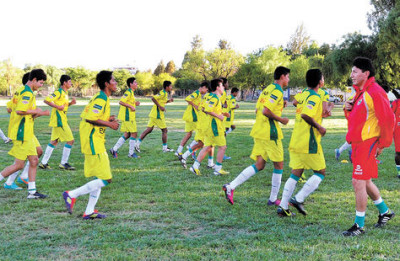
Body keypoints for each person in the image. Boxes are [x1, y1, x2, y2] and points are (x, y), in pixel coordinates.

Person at [342, 57, 395, 236]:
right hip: (358, 144)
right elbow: (356, 120)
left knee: (358, 181)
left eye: (355, 71)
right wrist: (347, 110)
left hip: (368, 144)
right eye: (351, 71)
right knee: (364, 180)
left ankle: (359, 225)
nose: (351, 75)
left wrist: (383, 144)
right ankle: (385, 212)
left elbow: (388, 120)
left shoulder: (375, 91)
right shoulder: (360, 92)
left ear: (366, 73)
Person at [223, 66, 290, 205]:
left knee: (260, 164)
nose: (288, 79)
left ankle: (231, 186)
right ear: (282, 76)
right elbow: (266, 111)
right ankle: (273, 199)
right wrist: (281, 119)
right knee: (279, 165)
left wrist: (280, 105)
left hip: (259, 130)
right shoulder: (277, 91)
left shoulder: (267, 89)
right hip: (270, 133)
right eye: (288, 76)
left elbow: (257, 110)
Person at [63, 70, 119, 219]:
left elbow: (93, 116)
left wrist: (108, 118)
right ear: (106, 84)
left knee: (99, 177)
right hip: (93, 141)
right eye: (113, 80)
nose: (116, 83)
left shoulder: (102, 98)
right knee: (106, 179)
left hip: (96, 140)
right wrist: (109, 124)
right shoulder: (101, 98)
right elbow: (89, 118)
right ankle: (71, 195)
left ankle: (89, 211)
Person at [277, 69, 328, 217]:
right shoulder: (315, 96)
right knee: (321, 172)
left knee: (295, 173)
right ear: (319, 82)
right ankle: (298, 199)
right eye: (323, 77)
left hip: (296, 139)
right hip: (308, 141)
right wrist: (320, 127)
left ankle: (283, 207)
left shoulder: (304, 94)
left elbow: (295, 102)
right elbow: (306, 114)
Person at [0, 69, 50, 198]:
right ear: (33, 80)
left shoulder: (20, 91)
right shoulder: (27, 93)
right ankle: (23, 186)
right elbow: (20, 111)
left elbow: (10, 108)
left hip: (25, 131)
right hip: (22, 133)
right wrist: (40, 112)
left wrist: (33, 113)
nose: (40, 86)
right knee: (19, 165)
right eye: (40, 83)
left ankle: (32, 192)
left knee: (34, 159)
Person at [189, 78, 230, 176]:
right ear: (217, 87)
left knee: (207, 146)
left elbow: (203, 108)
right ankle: (218, 169)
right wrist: (219, 116)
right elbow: (207, 109)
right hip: (214, 127)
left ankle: (195, 167)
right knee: (222, 147)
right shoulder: (215, 98)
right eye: (222, 85)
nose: (223, 87)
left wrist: (222, 113)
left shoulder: (208, 96)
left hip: (208, 125)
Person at [39, 75, 76, 170]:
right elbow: (46, 100)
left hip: (60, 120)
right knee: (70, 140)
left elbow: (63, 106)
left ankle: (43, 163)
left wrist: (70, 104)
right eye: (69, 81)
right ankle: (63, 163)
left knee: (54, 141)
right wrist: (57, 107)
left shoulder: (65, 93)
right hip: (60, 121)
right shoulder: (58, 92)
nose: (71, 83)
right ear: (64, 82)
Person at [135, 81, 174, 153]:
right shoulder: (162, 93)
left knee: (149, 130)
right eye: (170, 86)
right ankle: (165, 148)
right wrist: (160, 107)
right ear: (167, 87)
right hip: (157, 115)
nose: (171, 87)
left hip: (154, 114)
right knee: (164, 130)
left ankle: (137, 144)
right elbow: (153, 98)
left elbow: (161, 101)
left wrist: (169, 101)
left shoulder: (164, 93)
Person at [110, 77, 140, 158]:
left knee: (127, 134)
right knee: (134, 133)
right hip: (128, 117)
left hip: (130, 117)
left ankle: (114, 149)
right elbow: (121, 102)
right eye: (135, 82)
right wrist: (131, 106)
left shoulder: (132, 93)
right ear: (131, 84)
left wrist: (134, 104)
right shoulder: (128, 92)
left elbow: (128, 102)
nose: (137, 84)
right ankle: (131, 153)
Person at [175, 82, 209, 157]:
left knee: (189, 134)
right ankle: (190, 148)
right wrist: (195, 106)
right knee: (199, 135)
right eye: (206, 89)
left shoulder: (198, 94)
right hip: (192, 117)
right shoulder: (196, 93)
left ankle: (179, 150)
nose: (206, 91)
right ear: (203, 87)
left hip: (191, 117)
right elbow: (187, 99)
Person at [392, 89, 400, 178]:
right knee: (398, 152)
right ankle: (399, 172)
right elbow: (389, 114)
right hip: (398, 131)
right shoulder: (396, 103)